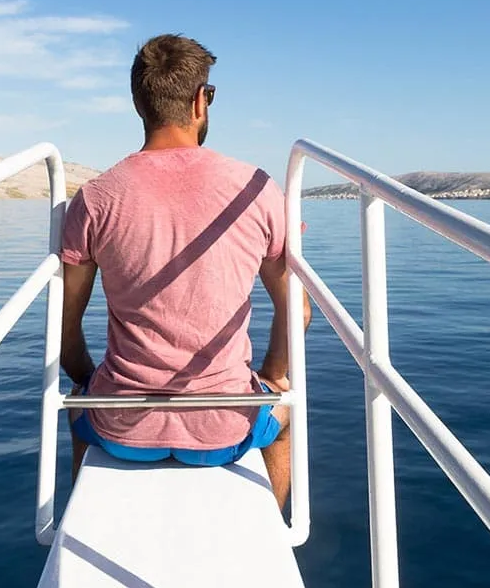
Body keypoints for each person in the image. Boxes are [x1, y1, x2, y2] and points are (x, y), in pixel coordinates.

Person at [59, 33, 309, 509]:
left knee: (77, 407)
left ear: (139, 103)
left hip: (121, 423)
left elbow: (65, 326)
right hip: (226, 425)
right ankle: (272, 530)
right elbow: (296, 310)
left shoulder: (95, 197)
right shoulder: (254, 189)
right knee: (283, 424)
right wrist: (273, 375)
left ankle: (78, 519)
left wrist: (86, 376)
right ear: (200, 100)